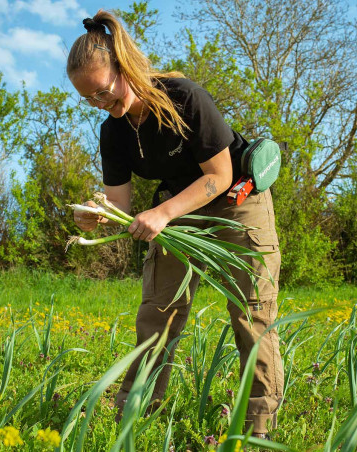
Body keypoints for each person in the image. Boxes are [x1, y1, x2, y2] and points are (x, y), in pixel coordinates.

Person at [67, 9, 283, 439]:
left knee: (251, 312)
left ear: (124, 67)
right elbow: (119, 203)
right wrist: (94, 215)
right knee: (158, 311)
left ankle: (258, 428)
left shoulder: (184, 97)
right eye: (88, 99)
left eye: (103, 91)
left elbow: (218, 176)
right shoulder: (113, 132)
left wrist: (163, 213)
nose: (100, 103)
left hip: (237, 198)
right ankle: (135, 416)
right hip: (178, 213)